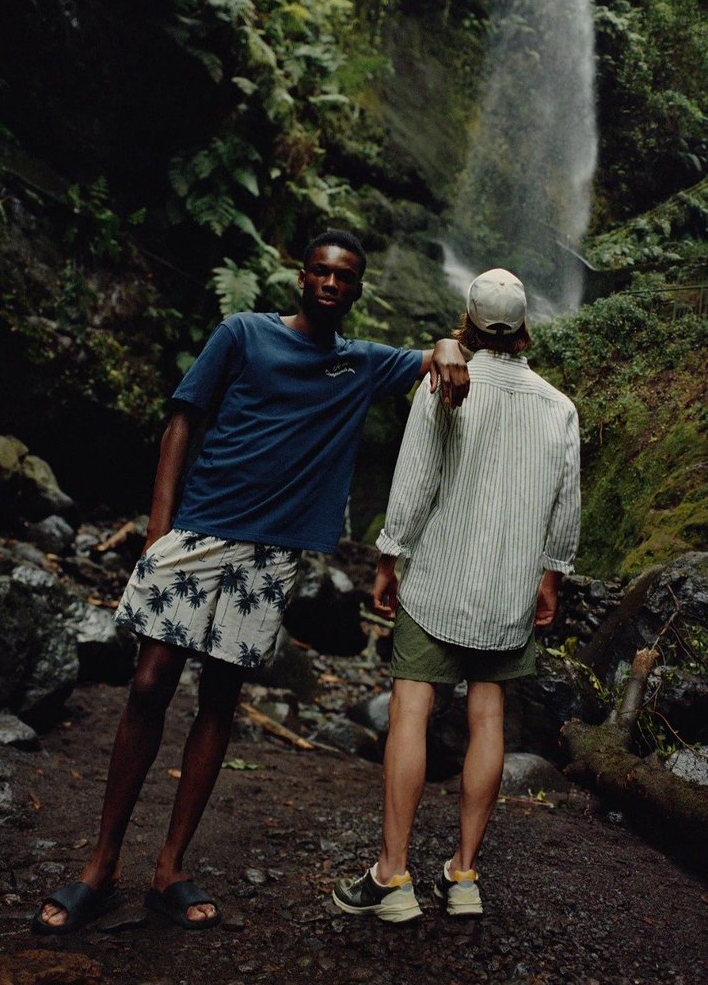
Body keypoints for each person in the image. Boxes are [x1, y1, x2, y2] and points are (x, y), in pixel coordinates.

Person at [33, 228, 471, 935]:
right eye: (320, 272)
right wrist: (158, 530)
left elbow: (433, 359)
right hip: (201, 530)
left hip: (273, 555)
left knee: (219, 697)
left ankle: (169, 868)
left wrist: (449, 347)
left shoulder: (359, 363)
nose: (330, 285)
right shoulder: (241, 333)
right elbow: (183, 419)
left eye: (344, 277)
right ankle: (101, 865)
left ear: (357, 291)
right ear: (301, 277)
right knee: (148, 683)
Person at [332, 267, 580, 924]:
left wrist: (389, 557)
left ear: (466, 324)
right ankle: (463, 875)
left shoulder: (442, 387)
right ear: (525, 328)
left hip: (439, 581)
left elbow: (414, 480)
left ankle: (392, 876)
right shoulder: (559, 408)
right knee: (488, 719)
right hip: (506, 593)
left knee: (410, 709)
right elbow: (564, 511)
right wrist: (547, 576)